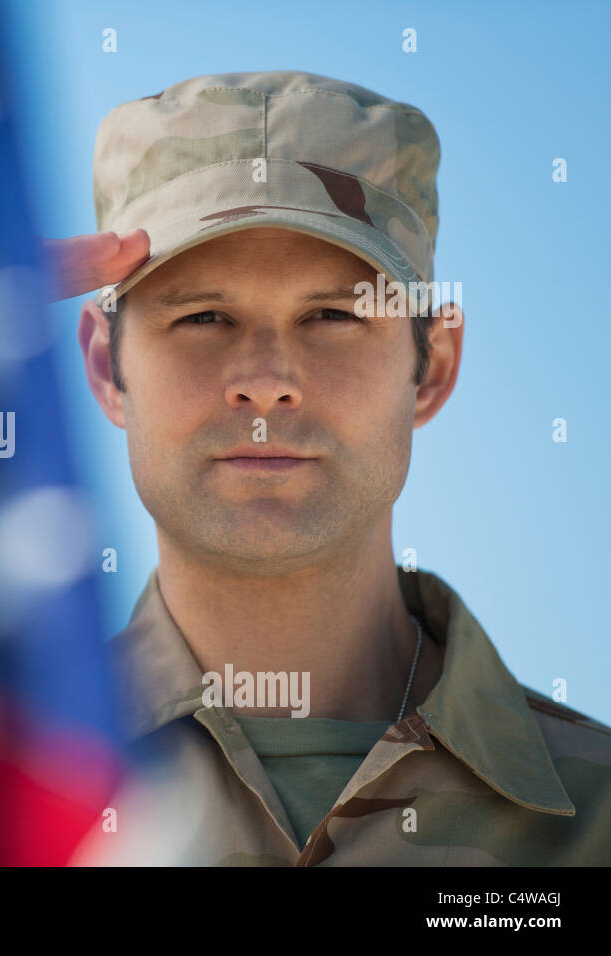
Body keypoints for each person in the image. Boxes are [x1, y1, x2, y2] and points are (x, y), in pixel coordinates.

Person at [52, 70, 611, 865]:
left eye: (333, 315)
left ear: (433, 367)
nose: (266, 376)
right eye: (203, 316)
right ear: (108, 366)